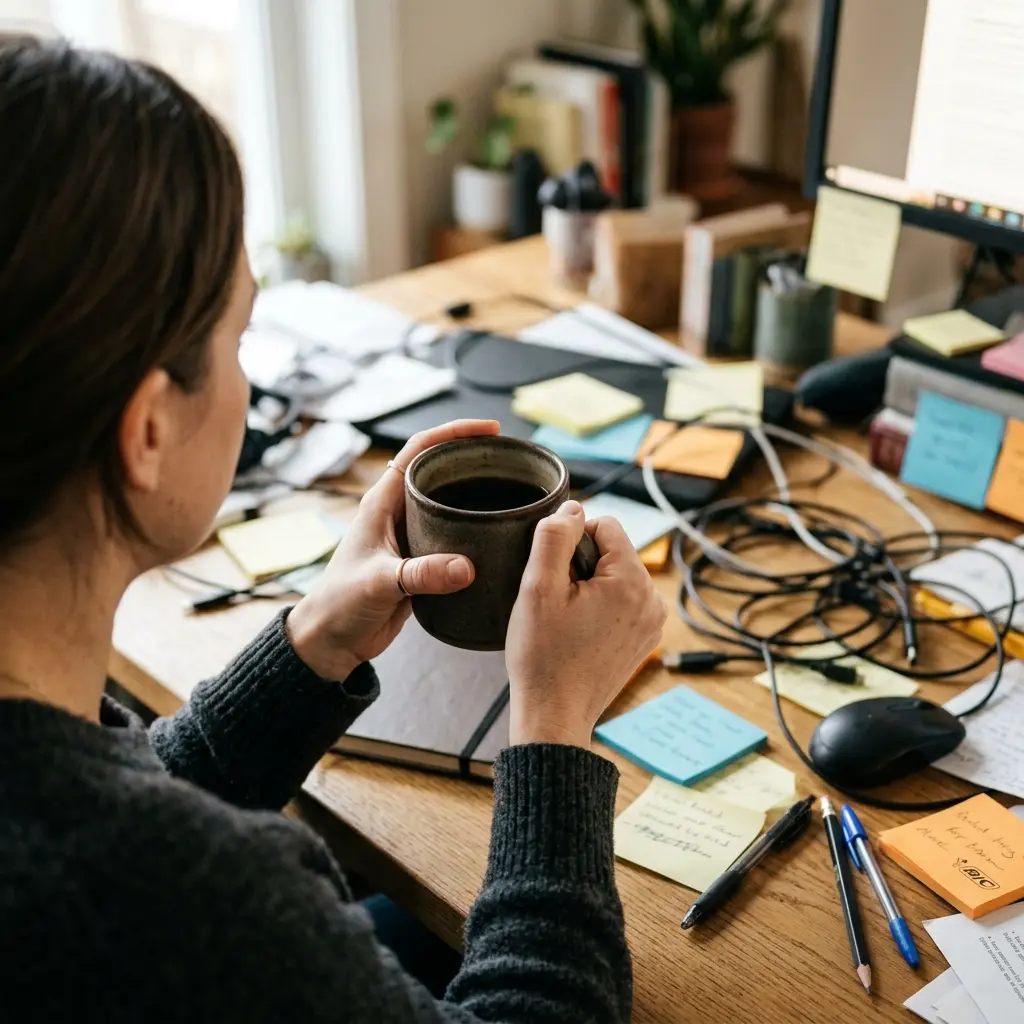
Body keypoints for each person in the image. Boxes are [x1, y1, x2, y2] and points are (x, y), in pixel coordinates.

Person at [0, 33, 667, 1024]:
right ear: (145, 429)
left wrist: (315, 641)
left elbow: (99, 806)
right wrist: (555, 721)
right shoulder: (197, 897)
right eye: (238, 339)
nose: (251, 379)